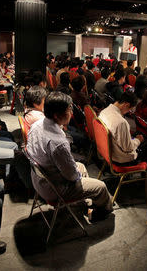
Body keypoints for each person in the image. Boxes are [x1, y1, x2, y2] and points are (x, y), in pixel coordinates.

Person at [27, 92, 113, 221]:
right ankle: (99, 213)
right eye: (69, 110)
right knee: (100, 187)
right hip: (55, 189)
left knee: (81, 166)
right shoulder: (58, 143)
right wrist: (76, 174)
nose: (71, 112)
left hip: (40, 180)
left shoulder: (36, 125)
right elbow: (71, 176)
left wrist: (76, 171)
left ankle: (85, 201)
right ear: (56, 115)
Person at [98, 91, 147, 174]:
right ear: (127, 105)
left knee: (146, 141)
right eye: (129, 109)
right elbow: (128, 148)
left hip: (106, 151)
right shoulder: (121, 122)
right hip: (119, 158)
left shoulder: (104, 111)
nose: (128, 112)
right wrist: (138, 140)